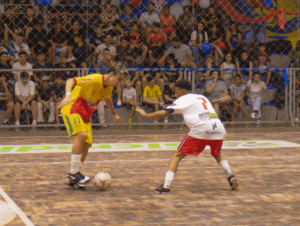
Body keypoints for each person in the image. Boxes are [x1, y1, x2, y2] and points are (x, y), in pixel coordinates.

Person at [136, 79, 239, 193]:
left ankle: (166, 186)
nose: (175, 94)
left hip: (201, 128)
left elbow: (165, 112)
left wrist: (146, 115)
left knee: (177, 156)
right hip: (218, 128)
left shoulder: (183, 98)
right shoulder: (201, 97)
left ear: (183, 91)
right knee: (217, 154)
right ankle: (231, 176)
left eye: (176, 91)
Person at [57, 63, 127, 189]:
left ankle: (73, 179)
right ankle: (73, 174)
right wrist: (68, 95)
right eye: (119, 79)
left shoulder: (108, 89)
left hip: (85, 114)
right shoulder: (94, 79)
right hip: (72, 108)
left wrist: (114, 114)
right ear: (111, 74)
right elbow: (70, 80)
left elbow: (107, 99)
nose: (119, 83)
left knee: (87, 144)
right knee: (82, 135)